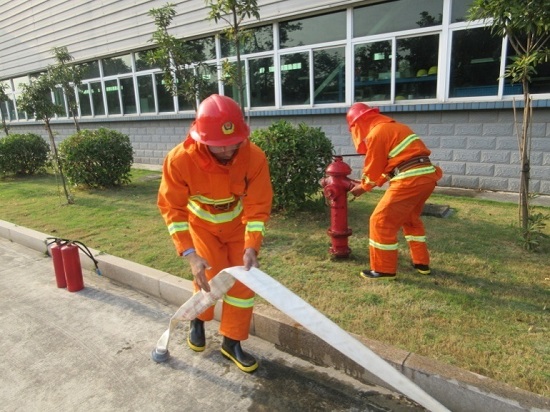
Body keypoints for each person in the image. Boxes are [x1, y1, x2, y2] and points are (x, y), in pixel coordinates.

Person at [158, 94, 273, 372]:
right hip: (202, 227)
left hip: (237, 227)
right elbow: (172, 209)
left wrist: (251, 246)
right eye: (219, 146)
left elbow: (258, 207)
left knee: (244, 284)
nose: (229, 150)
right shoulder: (179, 160)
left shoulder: (253, 156)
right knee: (209, 279)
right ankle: (198, 320)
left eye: (235, 142)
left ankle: (231, 342)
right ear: (201, 138)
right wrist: (189, 253)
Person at [346, 103, 443, 280]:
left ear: (358, 123)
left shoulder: (377, 133)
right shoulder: (396, 127)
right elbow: (390, 166)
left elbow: (374, 166)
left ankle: (384, 270)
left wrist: (363, 187)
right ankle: (421, 262)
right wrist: (368, 183)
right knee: (410, 219)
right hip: (426, 176)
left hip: (410, 179)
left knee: (380, 221)